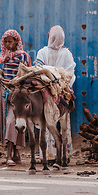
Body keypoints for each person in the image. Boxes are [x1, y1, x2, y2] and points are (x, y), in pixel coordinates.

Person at [35, 25, 76, 164]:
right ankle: (65, 154)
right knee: (65, 126)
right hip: (62, 94)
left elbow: (38, 70)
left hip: (46, 94)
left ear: (49, 37)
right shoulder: (67, 54)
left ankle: (48, 155)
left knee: (46, 123)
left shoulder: (42, 52)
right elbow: (71, 75)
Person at [0, 29, 31, 166]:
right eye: (5, 41)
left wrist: (15, 92)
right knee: (10, 122)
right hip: (6, 93)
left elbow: (23, 76)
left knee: (13, 122)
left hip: (17, 95)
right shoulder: (5, 56)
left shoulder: (22, 56)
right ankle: (15, 154)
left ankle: (10, 154)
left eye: (10, 41)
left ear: (16, 42)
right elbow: (5, 76)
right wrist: (6, 91)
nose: (7, 44)